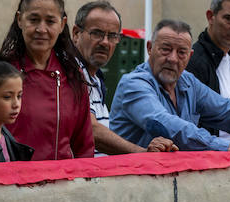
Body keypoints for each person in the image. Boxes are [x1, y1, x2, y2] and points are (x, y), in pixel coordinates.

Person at [110, 20, 230, 154]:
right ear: (149, 48)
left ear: (190, 56)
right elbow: (167, 125)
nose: (172, 58)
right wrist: (227, 145)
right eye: (165, 49)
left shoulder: (188, 82)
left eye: (181, 52)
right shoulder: (134, 84)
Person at [0, 0, 94, 160]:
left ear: (62, 24)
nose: (41, 29)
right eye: (34, 19)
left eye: (50, 21)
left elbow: (84, 147)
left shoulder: (73, 75)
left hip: (60, 181)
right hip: (6, 182)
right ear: (19, 20)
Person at [71, 1, 174, 154]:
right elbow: (91, 130)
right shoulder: (71, 71)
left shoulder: (95, 79)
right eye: (97, 33)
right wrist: (142, 153)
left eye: (112, 36)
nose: (105, 42)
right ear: (76, 33)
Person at [184, 0, 230, 144]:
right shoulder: (194, 62)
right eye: (229, 19)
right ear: (210, 16)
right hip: (211, 157)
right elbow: (188, 129)